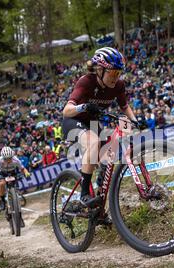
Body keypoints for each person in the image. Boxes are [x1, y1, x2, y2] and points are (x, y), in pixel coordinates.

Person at [61, 47, 147, 208]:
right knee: (94, 143)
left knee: (108, 160)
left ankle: (99, 211)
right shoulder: (86, 82)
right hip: (73, 120)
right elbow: (66, 110)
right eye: (112, 73)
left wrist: (135, 121)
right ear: (100, 70)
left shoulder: (118, 85)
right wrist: (84, 106)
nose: (116, 77)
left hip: (93, 123)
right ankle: (84, 195)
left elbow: (124, 106)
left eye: (118, 73)